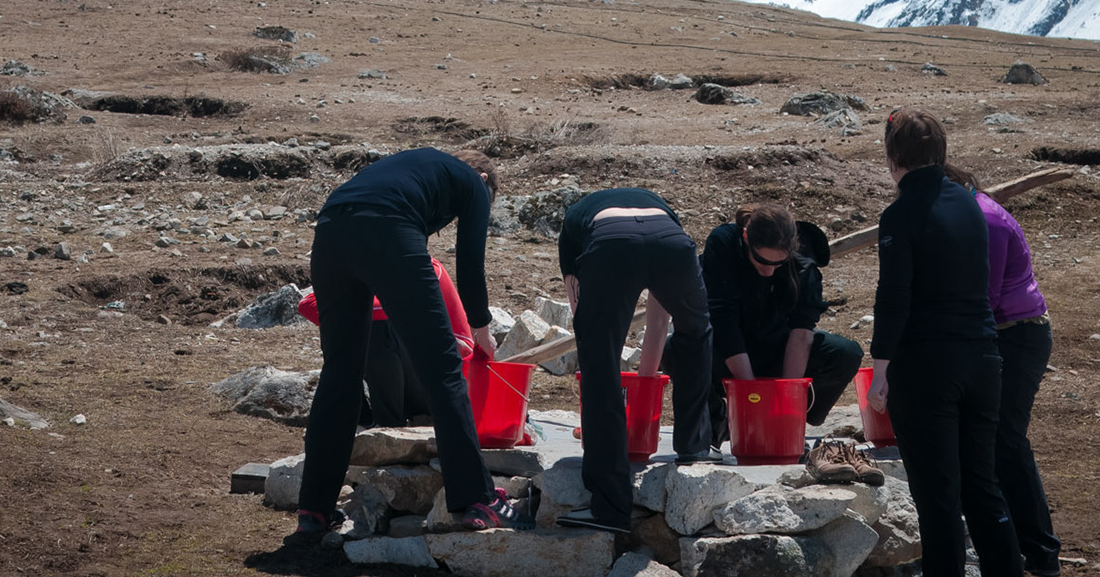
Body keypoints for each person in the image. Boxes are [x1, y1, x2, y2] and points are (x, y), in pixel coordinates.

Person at [868, 109, 1038, 577]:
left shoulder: (901, 215)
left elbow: (894, 299)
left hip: (929, 363)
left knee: (938, 495)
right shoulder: (971, 204)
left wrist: (881, 369)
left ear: (893, 158)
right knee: (983, 488)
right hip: (983, 356)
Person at [298, 147, 519, 539]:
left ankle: (314, 509)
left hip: (331, 229)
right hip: (387, 229)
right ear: (483, 181)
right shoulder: (473, 184)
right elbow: (470, 267)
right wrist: (482, 328)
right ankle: (477, 498)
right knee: (443, 368)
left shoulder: (415, 166)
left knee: (341, 374)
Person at [553, 187, 715, 532]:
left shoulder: (573, 226)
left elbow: (580, 310)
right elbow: (663, 313)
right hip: (671, 241)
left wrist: (604, 356)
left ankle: (610, 507)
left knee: (599, 366)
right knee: (697, 332)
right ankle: (694, 447)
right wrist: (646, 377)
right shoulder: (658, 204)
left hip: (611, 244)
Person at [699, 204, 875, 482]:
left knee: (846, 353)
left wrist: (784, 411)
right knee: (679, 349)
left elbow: (802, 332)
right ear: (746, 239)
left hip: (779, 349)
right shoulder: (723, 244)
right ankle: (718, 420)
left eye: (778, 264)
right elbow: (722, 322)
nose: (769, 271)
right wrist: (750, 398)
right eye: (761, 261)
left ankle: (793, 423)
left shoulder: (804, 260)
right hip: (730, 350)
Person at [946, 163, 1060, 577]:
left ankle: (1041, 549)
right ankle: (1006, 537)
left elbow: (984, 295)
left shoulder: (986, 220)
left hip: (1018, 335)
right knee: (988, 438)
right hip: (1002, 332)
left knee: (1006, 440)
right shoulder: (971, 212)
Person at [297, 256, 477, 427]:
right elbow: (306, 304)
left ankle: (387, 423)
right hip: (402, 364)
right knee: (348, 324)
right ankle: (366, 418)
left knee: (377, 325)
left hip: (440, 379)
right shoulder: (369, 269)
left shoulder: (428, 267)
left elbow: (464, 345)